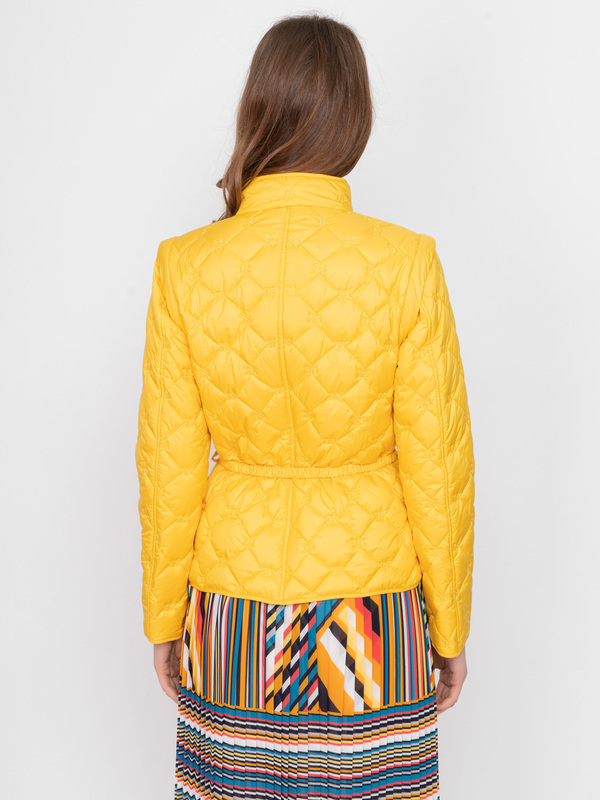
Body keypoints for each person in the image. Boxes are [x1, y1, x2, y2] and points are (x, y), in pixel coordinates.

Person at [135, 13, 475, 800]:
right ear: (354, 117)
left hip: (234, 610)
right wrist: (450, 626)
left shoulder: (185, 265)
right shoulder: (406, 263)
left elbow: (168, 467)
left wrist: (163, 618)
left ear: (258, 107)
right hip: (371, 617)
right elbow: (439, 466)